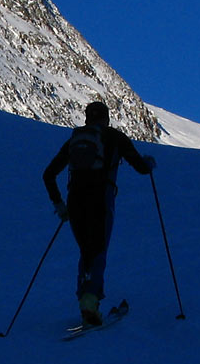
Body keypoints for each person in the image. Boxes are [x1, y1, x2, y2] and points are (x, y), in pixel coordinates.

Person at [42, 101, 155, 325]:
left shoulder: (75, 140)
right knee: (98, 250)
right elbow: (141, 168)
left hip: (75, 202)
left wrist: (59, 205)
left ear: (86, 118)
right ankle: (90, 305)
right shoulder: (115, 137)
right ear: (107, 118)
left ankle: (86, 302)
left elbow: (48, 174)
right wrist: (149, 163)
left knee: (86, 251)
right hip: (101, 200)